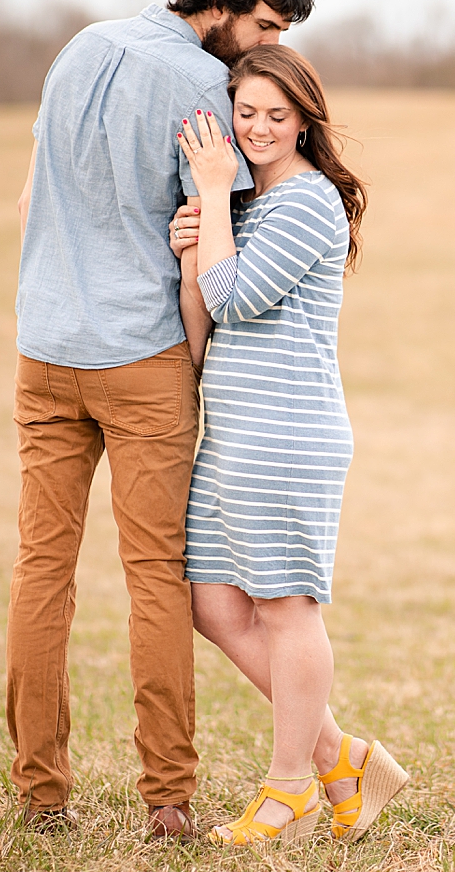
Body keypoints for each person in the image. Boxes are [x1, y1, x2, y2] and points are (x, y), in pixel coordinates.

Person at [7, 0, 315, 841]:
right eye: (265, 28)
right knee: (155, 578)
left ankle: (39, 790)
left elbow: (29, 197)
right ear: (218, 5)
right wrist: (194, 363)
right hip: (140, 359)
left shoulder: (79, 46)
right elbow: (204, 244)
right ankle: (169, 800)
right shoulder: (203, 88)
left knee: (39, 570)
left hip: (43, 345)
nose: (269, 50)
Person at [167, 49, 393, 846]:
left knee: (286, 610)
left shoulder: (306, 203)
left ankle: (291, 784)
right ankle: (346, 759)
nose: (257, 128)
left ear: (304, 119)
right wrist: (191, 244)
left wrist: (210, 207)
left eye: (275, 113)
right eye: (245, 111)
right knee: (215, 605)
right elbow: (201, 331)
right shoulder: (247, 206)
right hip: (233, 432)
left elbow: (238, 297)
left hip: (289, 432)